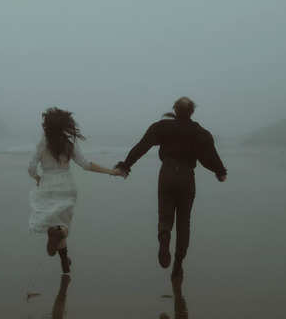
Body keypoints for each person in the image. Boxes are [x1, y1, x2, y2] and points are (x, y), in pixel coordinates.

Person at [115, 97, 226, 279]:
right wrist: (220, 171)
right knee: (184, 222)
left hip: (166, 173)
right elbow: (209, 157)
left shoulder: (161, 127)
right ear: (192, 111)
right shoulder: (200, 133)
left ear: (175, 109)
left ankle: (164, 238)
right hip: (187, 176)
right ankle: (178, 264)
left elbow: (142, 146)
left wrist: (126, 165)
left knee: (165, 216)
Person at [28, 107, 122, 273]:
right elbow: (86, 164)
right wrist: (111, 171)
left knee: (53, 223)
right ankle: (65, 262)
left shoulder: (43, 142)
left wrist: (37, 178)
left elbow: (31, 167)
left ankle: (62, 252)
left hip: (47, 185)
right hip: (66, 185)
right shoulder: (69, 142)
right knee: (63, 226)